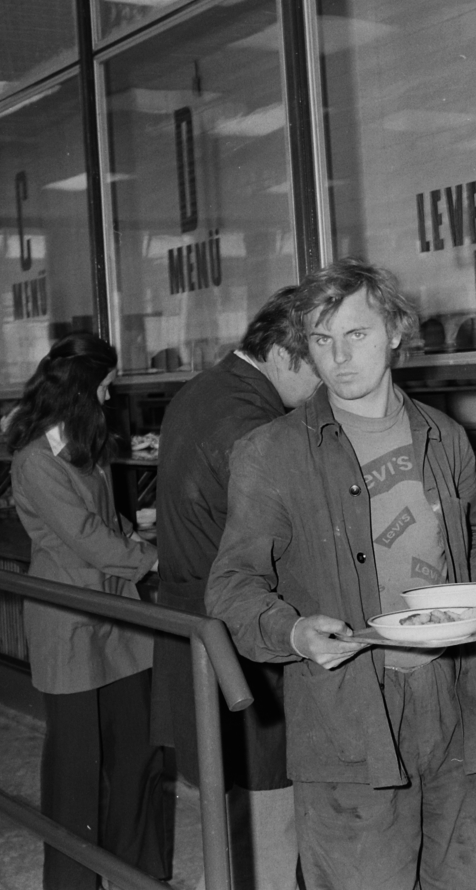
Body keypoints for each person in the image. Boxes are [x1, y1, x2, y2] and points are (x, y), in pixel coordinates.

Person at [206, 257, 476, 890]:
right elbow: (232, 584)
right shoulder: (271, 453)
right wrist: (292, 633)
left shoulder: (444, 437)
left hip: (456, 706)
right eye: (322, 341)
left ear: (395, 331)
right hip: (346, 715)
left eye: (356, 334)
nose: (339, 356)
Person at [150, 285, 320, 890]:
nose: (324, 385)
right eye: (318, 364)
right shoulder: (251, 421)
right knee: (269, 804)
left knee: (227, 806)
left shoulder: (206, 388)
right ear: (283, 352)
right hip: (239, 637)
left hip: (198, 625)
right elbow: (293, 537)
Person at [6, 333, 170, 889]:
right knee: (77, 764)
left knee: (137, 752)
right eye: (102, 387)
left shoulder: (84, 446)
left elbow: (112, 522)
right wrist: (149, 561)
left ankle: (139, 871)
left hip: (115, 615)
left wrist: (142, 542)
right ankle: (74, 881)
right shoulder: (36, 461)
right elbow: (85, 538)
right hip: (71, 618)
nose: (108, 399)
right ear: (80, 389)